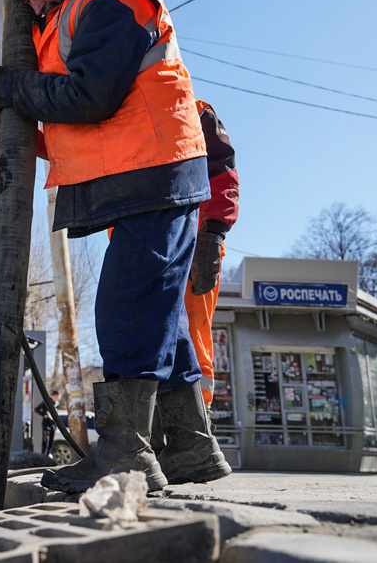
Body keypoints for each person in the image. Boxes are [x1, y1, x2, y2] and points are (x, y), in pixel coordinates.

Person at [0, 0, 223, 493]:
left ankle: (124, 456)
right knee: (156, 315)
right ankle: (191, 452)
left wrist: (18, 89)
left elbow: (90, 96)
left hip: (156, 173)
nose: (36, 6)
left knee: (126, 307)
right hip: (150, 175)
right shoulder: (82, 2)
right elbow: (82, 115)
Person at [151, 100, 238, 485]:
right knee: (153, 338)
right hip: (155, 246)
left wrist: (212, 232)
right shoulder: (126, 106)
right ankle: (161, 446)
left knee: (189, 335)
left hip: (192, 241)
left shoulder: (192, 109)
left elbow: (221, 170)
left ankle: (193, 440)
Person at [34, 389, 61, 455]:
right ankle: (44, 455)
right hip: (46, 424)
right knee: (46, 441)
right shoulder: (47, 402)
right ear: (53, 396)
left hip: (53, 424)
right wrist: (44, 414)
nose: (57, 398)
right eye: (56, 396)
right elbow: (36, 409)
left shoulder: (57, 404)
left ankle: (49, 454)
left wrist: (56, 426)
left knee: (51, 442)